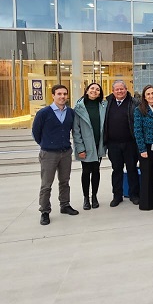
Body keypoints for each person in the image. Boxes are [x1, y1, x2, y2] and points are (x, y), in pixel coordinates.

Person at [32, 84, 77, 226]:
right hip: (49, 154)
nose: (62, 96)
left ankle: (65, 205)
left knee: (65, 181)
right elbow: (36, 133)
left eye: (65, 94)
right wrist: (46, 144)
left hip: (65, 153)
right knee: (46, 184)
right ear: (53, 95)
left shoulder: (70, 112)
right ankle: (45, 211)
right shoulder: (44, 113)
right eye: (59, 94)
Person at [103, 80, 140, 207]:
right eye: (117, 89)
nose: (119, 91)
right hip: (113, 144)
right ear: (113, 91)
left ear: (126, 89)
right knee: (116, 170)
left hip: (130, 143)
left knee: (132, 169)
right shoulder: (107, 103)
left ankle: (134, 195)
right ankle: (117, 196)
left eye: (122, 89)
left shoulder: (134, 102)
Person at [72, 82, 107, 210]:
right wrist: (80, 148)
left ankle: (94, 196)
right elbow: (76, 130)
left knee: (96, 171)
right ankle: (86, 198)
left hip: (99, 145)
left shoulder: (103, 106)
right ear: (87, 90)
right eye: (92, 88)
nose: (94, 91)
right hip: (86, 146)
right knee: (86, 171)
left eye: (97, 89)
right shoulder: (79, 108)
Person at [133, 84, 153, 211]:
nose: (151, 96)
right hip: (146, 146)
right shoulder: (139, 110)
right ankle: (146, 204)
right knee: (146, 176)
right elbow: (137, 130)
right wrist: (142, 149)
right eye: (148, 94)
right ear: (144, 97)